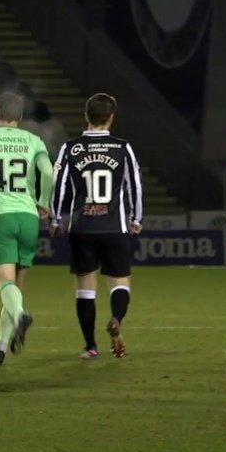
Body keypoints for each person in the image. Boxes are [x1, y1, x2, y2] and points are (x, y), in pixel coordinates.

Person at [50, 93, 143, 359]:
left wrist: (56, 219)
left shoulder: (72, 148)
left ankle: (90, 346)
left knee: (85, 289)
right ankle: (116, 318)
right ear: (111, 118)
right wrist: (136, 219)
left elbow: (60, 186)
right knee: (120, 282)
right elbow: (134, 183)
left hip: (83, 228)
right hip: (115, 226)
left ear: (86, 116)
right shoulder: (122, 147)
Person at [0, 92, 54, 365]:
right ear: (20, 116)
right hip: (28, 216)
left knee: (5, 284)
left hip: (1, 216)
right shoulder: (34, 141)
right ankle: (2, 346)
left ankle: (20, 317)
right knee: (15, 287)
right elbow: (49, 173)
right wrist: (42, 202)